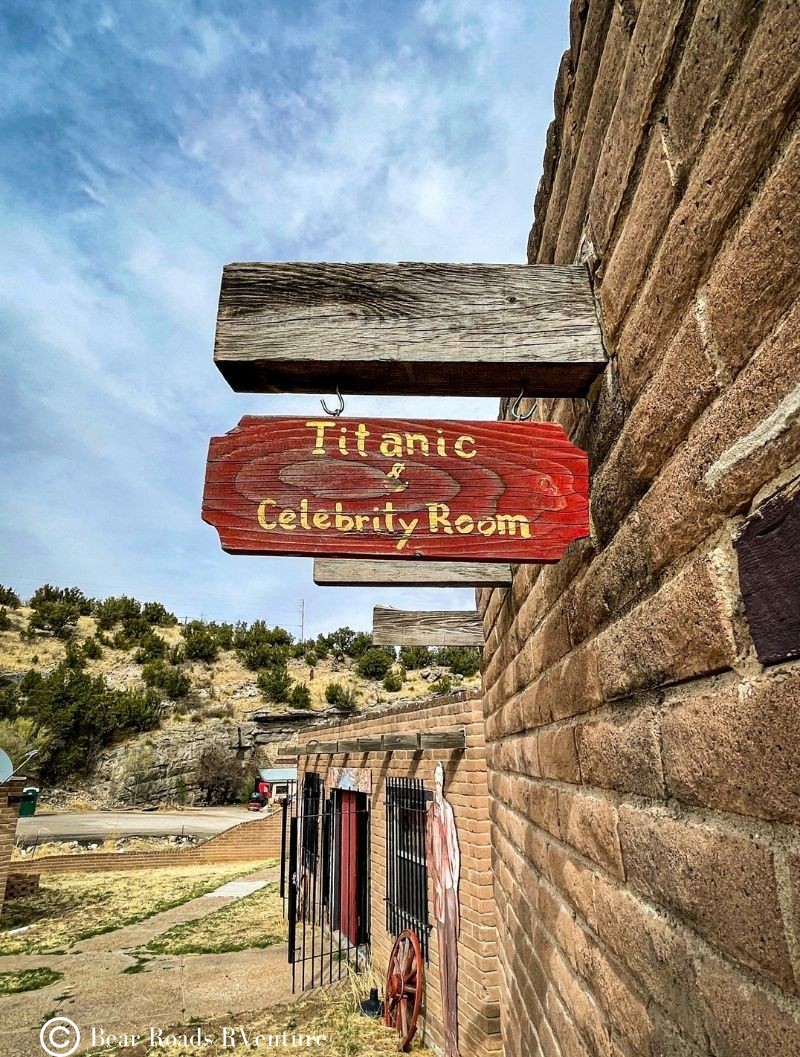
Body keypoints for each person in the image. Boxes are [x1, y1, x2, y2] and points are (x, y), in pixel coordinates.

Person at [426, 761, 461, 1057]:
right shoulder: (430, 813)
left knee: (452, 956)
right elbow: (429, 852)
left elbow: (454, 853)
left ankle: (453, 1041)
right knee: (442, 956)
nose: (437, 782)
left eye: (440, 778)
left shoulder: (446, 811)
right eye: (435, 778)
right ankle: (449, 1036)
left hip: (448, 893)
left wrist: (448, 884)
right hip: (438, 895)